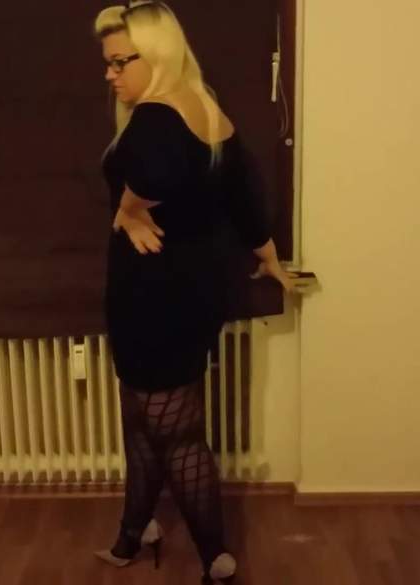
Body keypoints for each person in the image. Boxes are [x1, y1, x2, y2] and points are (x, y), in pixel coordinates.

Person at [93, 2, 295, 583]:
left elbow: (156, 174)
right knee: (144, 420)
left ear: (155, 54)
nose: (110, 74)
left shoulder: (156, 117)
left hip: (152, 298)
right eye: (108, 62)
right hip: (190, 294)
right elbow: (242, 191)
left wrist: (128, 209)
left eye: (120, 62)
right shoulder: (205, 108)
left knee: (175, 434)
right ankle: (135, 533)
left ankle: (216, 558)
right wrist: (266, 253)